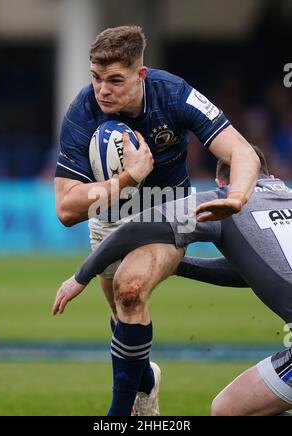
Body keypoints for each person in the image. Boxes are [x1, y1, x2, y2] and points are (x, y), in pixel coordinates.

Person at [54, 25, 260, 416]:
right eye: (96, 79)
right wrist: (127, 179)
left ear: (141, 75)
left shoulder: (174, 94)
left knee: (131, 291)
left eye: (115, 80)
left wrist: (237, 197)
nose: (103, 90)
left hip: (168, 210)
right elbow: (66, 209)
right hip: (109, 218)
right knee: (122, 318)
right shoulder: (82, 110)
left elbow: (242, 152)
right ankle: (146, 381)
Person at [53, 146, 292, 416]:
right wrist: (179, 267)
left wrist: (81, 276)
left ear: (221, 182)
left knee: (228, 412)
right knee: (232, 408)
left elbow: (136, 228)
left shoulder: (221, 202)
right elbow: (257, 272)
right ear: (268, 176)